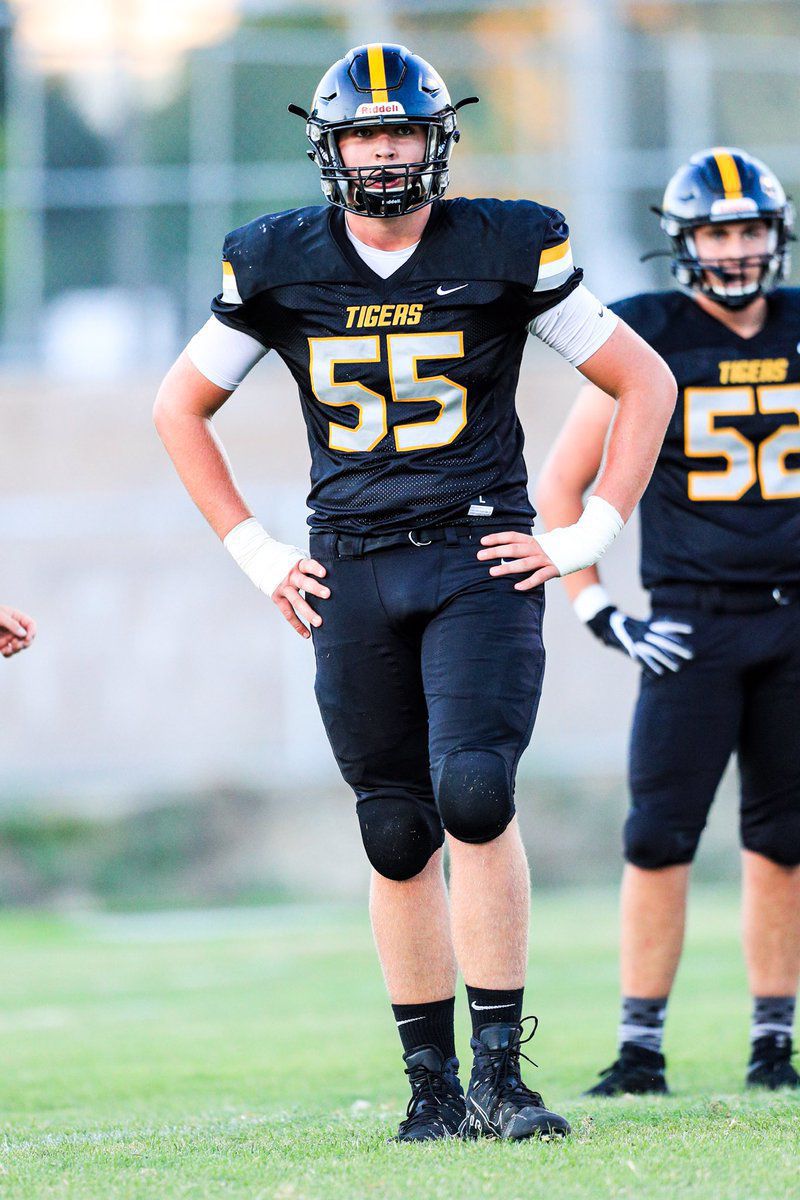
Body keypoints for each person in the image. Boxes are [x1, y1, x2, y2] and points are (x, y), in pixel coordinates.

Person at [154, 43, 675, 1140]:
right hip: (347, 561)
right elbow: (176, 408)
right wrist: (254, 551)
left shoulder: (501, 244)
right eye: (362, 134)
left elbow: (643, 381)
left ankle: (501, 1076)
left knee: (474, 793)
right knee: (394, 830)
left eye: (399, 131)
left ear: (435, 140)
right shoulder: (277, 259)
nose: (383, 152)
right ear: (327, 146)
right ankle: (430, 1089)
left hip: (475, 551)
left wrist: (590, 529)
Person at [536, 146, 800, 1095]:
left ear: (775, 234)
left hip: (793, 623)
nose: (736, 249)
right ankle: (640, 1048)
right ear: (685, 243)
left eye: (750, 229)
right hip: (692, 625)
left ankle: (775, 1044)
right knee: (658, 835)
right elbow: (560, 486)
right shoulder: (645, 333)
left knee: (784, 838)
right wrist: (597, 606)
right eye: (719, 232)